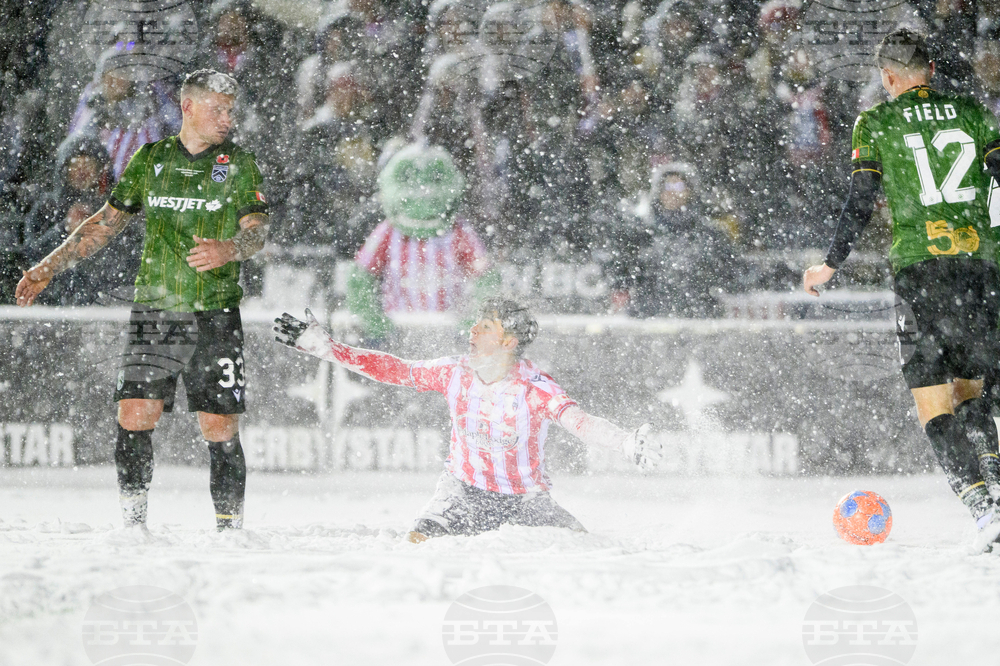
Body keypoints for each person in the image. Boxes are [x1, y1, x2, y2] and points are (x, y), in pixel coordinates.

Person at [16, 69, 269, 531]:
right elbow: (104, 224)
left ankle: (229, 529)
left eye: (230, 110)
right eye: (218, 108)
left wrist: (229, 248)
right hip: (156, 310)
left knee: (218, 426)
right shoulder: (150, 159)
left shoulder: (239, 163)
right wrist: (48, 267)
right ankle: (134, 526)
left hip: (214, 310)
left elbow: (259, 233)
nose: (227, 118)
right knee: (134, 413)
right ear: (188, 107)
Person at [803, 29, 1000, 551]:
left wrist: (830, 262)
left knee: (933, 402)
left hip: (922, 271)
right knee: (972, 392)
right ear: (930, 71)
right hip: (981, 268)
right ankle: (999, 491)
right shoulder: (973, 113)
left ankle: (984, 510)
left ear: (887, 76)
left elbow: (861, 199)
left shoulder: (876, 122)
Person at [273, 298, 661, 542]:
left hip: (526, 501)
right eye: (475, 323)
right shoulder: (453, 372)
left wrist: (627, 443)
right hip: (461, 493)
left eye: (485, 327)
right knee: (415, 543)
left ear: (508, 343)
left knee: (583, 544)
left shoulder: (535, 388)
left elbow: (581, 422)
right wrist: (329, 350)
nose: (472, 330)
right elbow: (395, 369)